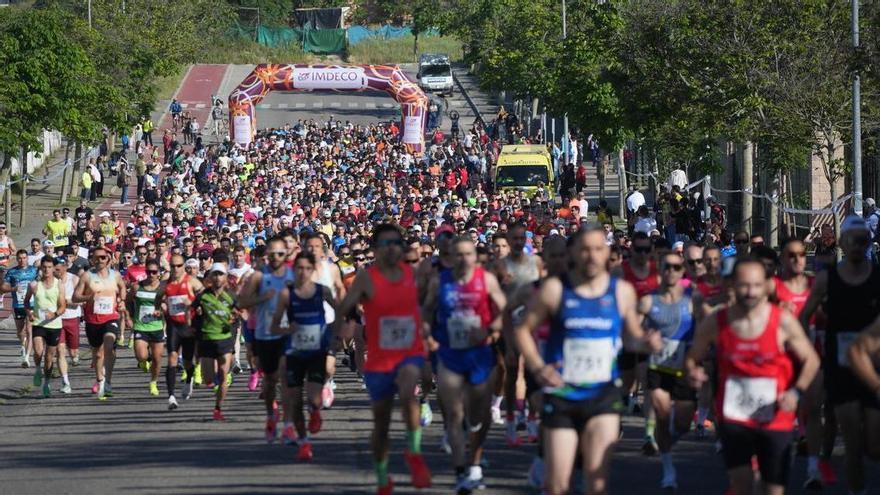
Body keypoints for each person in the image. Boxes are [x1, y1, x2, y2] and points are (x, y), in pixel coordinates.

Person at [514, 224, 662, 495]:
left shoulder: (621, 292)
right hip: (562, 394)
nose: (592, 256)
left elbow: (630, 338)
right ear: (575, 254)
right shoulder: (556, 290)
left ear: (607, 253)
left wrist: (645, 341)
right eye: (585, 250)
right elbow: (523, 329)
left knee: (596, 484)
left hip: (603, 394)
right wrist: (537, 366)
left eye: (598, 249)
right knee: (558, 485)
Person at [686, 257, 819, 495]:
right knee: (742, 484)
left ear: (766, 285)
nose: (750, 292)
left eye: (757, 285)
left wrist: (796, 392)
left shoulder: (783, 322)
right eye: (744, 285)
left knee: (773, 490)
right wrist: (693, 372)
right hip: (735, 418)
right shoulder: (716, 322)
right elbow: (692, 357)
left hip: (776, 417)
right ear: (733, 285)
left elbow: (812, 359)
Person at [337, 224, 432, 494]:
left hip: (408, 352)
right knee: (381, 423)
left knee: (408, 391)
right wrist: (339, 325)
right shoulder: (367, 277)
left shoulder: (413, 274)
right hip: (380, 359)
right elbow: (348, 306)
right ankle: (382, 477)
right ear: (375, 250)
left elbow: (427, 308)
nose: (390, 248)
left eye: (395, 243)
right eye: (384, 244)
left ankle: (413, 453)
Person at [801, 215, 880, 495]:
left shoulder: (877, 276)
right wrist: (808, 350)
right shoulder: (827, 278)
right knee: (853, 444)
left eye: (864, 240)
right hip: (840, 366)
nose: (858, 245)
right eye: (853, 240)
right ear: (843, 243)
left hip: (873, 369)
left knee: (873, 446)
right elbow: (804, 316)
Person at [422, 237, 506, 492]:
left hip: (479, 354)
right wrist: (427, 335)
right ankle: (462, 472)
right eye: (458, 254)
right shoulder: (440, 281)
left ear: (474, 255)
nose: (464, 259)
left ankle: (475, 462)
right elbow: (426, 310)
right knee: (456, 414)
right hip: (449, 353)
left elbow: (504, 308)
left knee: (478, 416)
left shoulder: (486, 279)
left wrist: (492, 329)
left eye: (468, 254)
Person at [640, 251, 700, 490]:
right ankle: (668, 471)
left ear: (682, 271)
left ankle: (665, 443)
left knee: (683, 423)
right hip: (658, 367)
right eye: (667, 267)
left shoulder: (693, 299)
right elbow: (630, 330)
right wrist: (644, 338)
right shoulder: (647, 301)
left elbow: (707, 326)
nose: (671, 271)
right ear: (660, 269)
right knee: (663, 415)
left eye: (676, 267)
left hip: (684, 367)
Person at [271, 252, 337, 461]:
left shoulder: (322, 291)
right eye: (299, 268)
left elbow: (340, 313)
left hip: (317, 351)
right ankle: (304, 442)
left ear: (313, 270)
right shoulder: (286, 294)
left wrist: (330, 334)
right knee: (295, 400)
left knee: (313, 398)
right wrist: (288, 329)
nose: (303, 272)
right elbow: (274, 326)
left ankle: (316, 410)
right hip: (294, 352)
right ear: (294, 270)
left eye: (307, 268)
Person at [238, 237, 295, 443]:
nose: (276, 257)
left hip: (288, 334)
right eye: (272, 254)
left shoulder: (293, 274)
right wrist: (262, 298)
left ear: (286, 254)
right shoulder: (258, 276)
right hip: (265, 334)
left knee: (288, 381)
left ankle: (289, 426)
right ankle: (271, 417)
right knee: (270, 382)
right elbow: (241, 301)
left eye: (280, 253)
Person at [493, 223, 542, 446]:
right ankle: (512, 419)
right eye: (514, 238)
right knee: (511, 372)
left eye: (522, 238)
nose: (518, 242)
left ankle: (530, 418)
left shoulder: (536, 263)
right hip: (509, 324)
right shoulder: (499, 266)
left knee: (532, 372)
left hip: (532, 324)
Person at [72, 246, 126, 400]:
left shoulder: (115, 275)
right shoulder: (87, 276)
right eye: (97, 258)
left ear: (108, 259)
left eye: (103, 257)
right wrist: (88, 298)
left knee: (109, 345)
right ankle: (100, 380)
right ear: (92, 260)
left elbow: (122, 288)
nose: (100, 260)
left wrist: (121, 301)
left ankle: (108, 381)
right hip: (92, 319)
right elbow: (75, 297)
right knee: (97, 353)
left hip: (111, 317)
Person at [192, 263, 237, 421]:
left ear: (225, 277)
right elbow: (190, 312)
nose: (218, 277)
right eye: (215, 274)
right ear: (210, 277)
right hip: (207, 339)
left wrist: (236, 316)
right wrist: (194, 319)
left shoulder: (231, 295)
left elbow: (241, 312)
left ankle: (218, 408)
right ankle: (212, 382)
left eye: (221, 274)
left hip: (225, 340)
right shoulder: (203, 296)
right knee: (208, 379)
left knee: (224, 376)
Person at [158, 254, 203, 410]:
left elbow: (204, 296)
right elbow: (158, 300)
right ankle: (171, 396)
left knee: (188, 362)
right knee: (171, 358)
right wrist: (162, 308)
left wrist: (194, 304)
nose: (175, 269)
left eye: (179, 266)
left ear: (183, 266)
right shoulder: (165, 284)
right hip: (173, 326)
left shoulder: (191, 281)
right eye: (173, 266)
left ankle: (189, 379)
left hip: (189, 326)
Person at [25, 256, 66, 397]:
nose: (47, 270)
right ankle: (37, 369)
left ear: (53, 268)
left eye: (49, 267)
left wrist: (54, 314)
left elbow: (63, 307)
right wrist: (29, 313)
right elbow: (26, 302)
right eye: (44, 267)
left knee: (49, 357)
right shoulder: (34, 285)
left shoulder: (59, 284)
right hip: (38, 323)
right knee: (38, 351)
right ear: (40, 268)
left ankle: (46, 383)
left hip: (54, 325)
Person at [127, 259, 165, 396]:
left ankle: (153, 382)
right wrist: (128, 317)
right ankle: (144, 361)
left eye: (154, 272)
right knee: (141, 356)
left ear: (159, 273)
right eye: (148, 272)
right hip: (141, 326)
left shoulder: (163, 288)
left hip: (156, 327)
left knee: (157, 358)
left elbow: (167, 305)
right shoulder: (137, 287)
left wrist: (161, 311)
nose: (151, 275)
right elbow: (128, 300)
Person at [2, 249, 39, 367]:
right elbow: (3, 288)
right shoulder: (12, 272)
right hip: (18, 305)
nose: (22, 260)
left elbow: (40, 284)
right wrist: (13, 289)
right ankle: (22, 344)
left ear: (27, 258)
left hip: (31, 304)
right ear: (16, 259)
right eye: (20, 258)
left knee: (29, 331)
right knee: (20, 332)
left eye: (24, 258)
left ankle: (26, 358)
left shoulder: (34, 271)